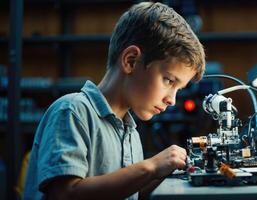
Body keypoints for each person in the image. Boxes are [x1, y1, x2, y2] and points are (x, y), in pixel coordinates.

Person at [23, 2, 205, 200]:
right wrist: (150, 167)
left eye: (179, 89)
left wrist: (165, 173)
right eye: (169, 80)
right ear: (131, 61)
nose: (172, 100)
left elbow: (124, 192)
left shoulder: (130, 131)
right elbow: (66, 193)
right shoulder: (73, 111)